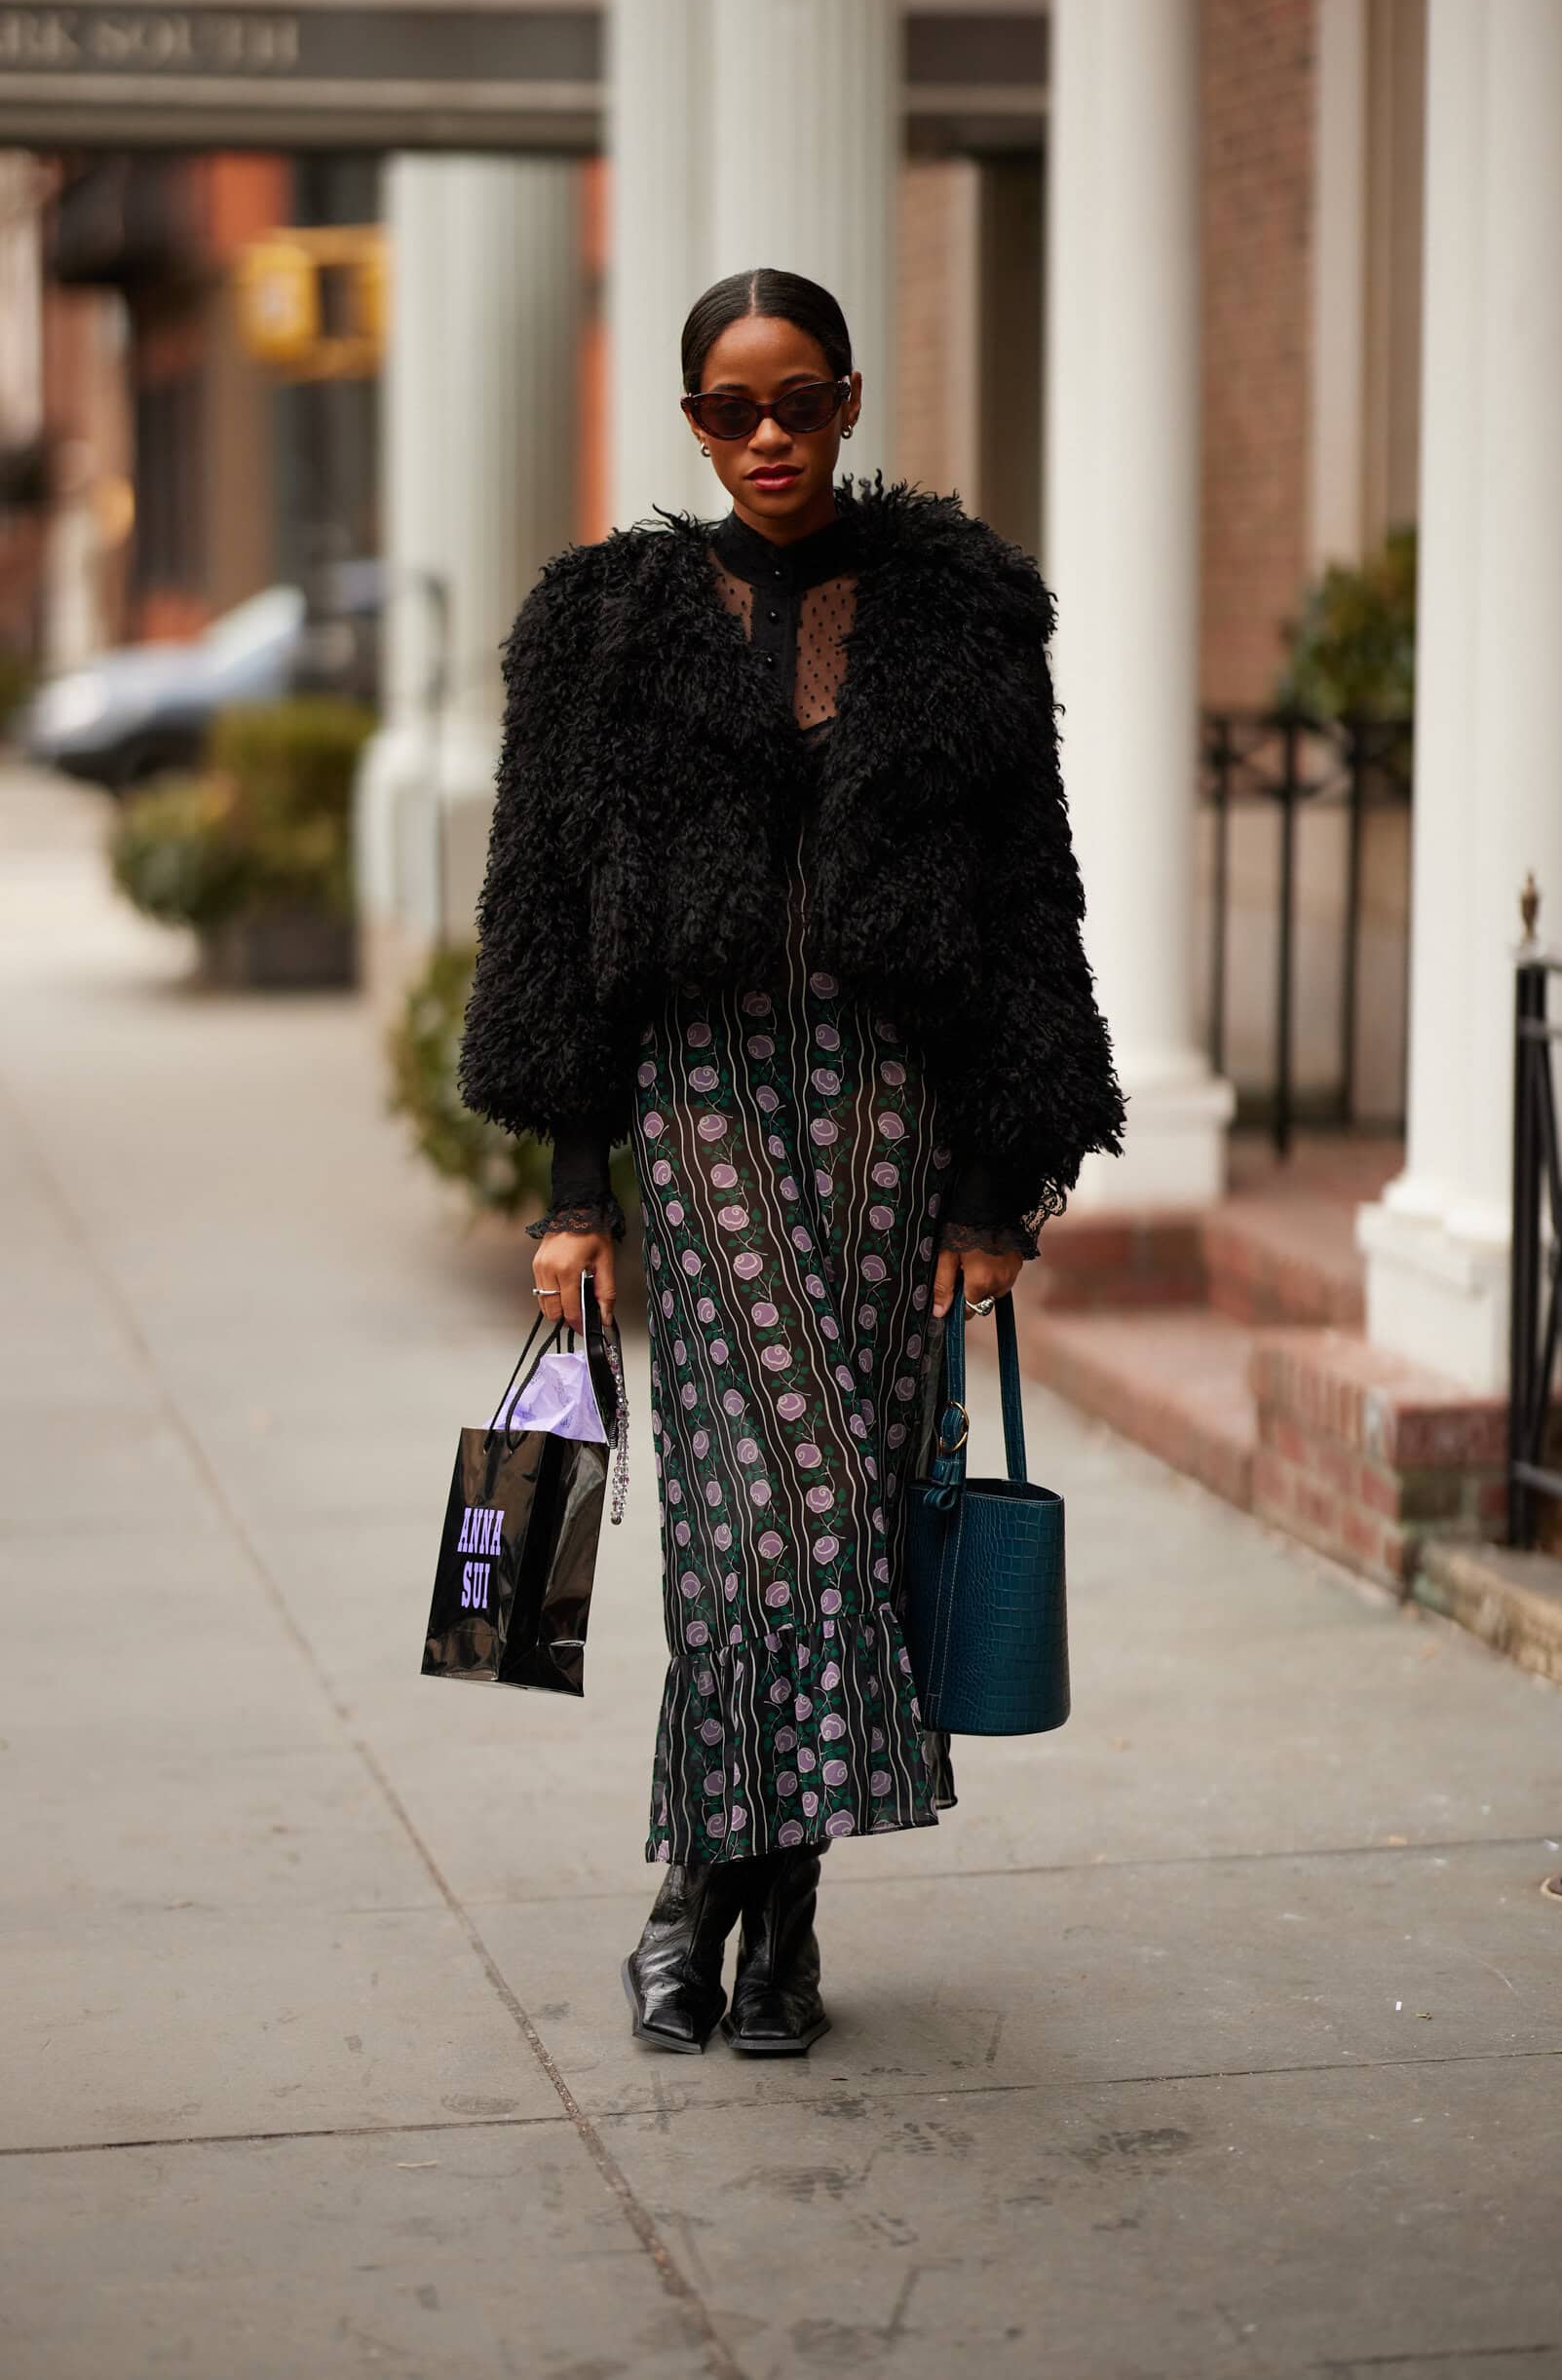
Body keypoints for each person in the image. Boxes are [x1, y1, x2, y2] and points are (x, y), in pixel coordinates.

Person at [456, 266, 1124, 2058]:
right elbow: (545, 913)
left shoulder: (962, 613)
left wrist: (998, 1187)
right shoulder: (604, 626)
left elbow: (1029, 904)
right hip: (700, 1099)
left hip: (895, 1110)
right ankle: (719, 1902)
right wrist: (575, 1193)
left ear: (847, 404)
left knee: (848, 1516)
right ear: (692, 424)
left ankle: (762, 1922)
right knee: (767, 1525)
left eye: (800, 401)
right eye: (731, 409)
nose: (768, 436)